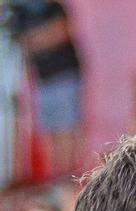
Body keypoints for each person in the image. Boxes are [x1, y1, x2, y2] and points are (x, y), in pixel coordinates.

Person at [10, 0, 83, 177]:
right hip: (44, 80)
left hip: (64, 75)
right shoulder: (20, 11)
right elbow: (22, 42)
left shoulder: (52, 7)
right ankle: (57, 178)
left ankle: (67, 178)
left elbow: (60, 32)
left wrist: (35, 39)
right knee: (49, 131)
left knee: (65, 128)